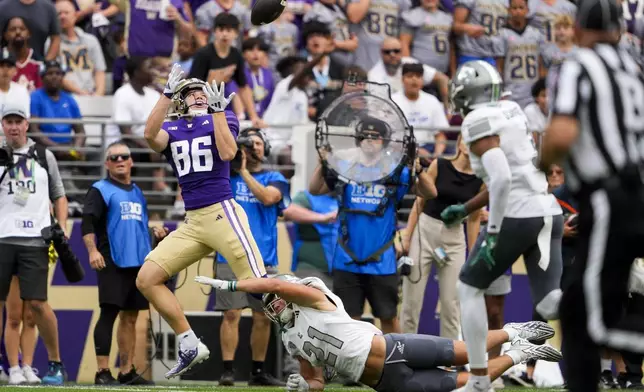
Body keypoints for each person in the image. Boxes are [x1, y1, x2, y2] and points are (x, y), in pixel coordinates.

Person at [194, 274, 563, 392]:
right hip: (385, 383)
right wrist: (305, 387)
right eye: (268, 302)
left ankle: (513, 330)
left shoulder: (316, 299)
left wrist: (233, 283)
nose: (272, 303)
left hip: (391, 347)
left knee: (464, 352)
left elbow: (274, 282)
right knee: (468, 387)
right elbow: (318, 380)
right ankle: (519, 354)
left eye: (275, 297)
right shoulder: (290, 338)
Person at [538, 0, 644, 390]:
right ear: (619, 31)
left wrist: (542, 159)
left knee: (589, 322)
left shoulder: (579, 64)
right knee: (577, 308)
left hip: (609, 197)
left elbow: (563, 133)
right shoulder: (633, 70)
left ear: (578, 30)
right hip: (635, 193)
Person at [137, 65, 267, 378]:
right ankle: (189, 342)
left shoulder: (223, 117)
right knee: (147, 279)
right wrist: (166, 94)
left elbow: (228, 152)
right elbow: (148, 135)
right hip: (193, 220)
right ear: (179, 101)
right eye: (189, 92)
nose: (196, 95)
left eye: (200, 91)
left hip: (222, 212)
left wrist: (220, 113)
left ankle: (310, 353)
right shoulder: (174, 128)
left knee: (262, 290)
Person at [443, 60, 563, 392]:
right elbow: (511, 174)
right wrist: (466, 208)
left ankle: (479, 380)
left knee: (468, 288)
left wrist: (493, 233)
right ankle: (604, 296)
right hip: (547, 212)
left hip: (517, 215)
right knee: (549, 302)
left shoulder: (477, 119)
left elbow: (502, 178)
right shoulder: (511, 108)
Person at [308, 116, 412, 337]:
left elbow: (428, 193)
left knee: (388, 317)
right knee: (346, 320)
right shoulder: (343, 168)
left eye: (376, 137)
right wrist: (322, 161)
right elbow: (315, 189)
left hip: (382, 263)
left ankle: (395, 365)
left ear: (384, 142)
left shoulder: (396, 171)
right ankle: (347, 368)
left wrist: (417, 168)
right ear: (357, 139)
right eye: (365, 135)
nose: (370, 140)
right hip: (347, 261)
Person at [82, 141, 168, 385]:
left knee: (131, 318)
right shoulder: (99, 189)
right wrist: (92, 251)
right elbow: (87, 223)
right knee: (108, 314)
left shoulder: (138, 192)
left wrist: (155, 232)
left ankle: (126, 371)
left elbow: (136, 226)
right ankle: (102, 372)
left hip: (138, 263)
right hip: (112, 260)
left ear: (131, 161)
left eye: (124, 156)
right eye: (114, 157)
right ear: (107, 163)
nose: (120, 160)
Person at [0, 101, 68, 385]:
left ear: (27, 124)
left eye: (18, 121)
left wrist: (62, 227)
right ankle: (12, 367)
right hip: (3, 239)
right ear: (3, 126)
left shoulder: (44, 155)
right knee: (10, 311)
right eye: (8, 122)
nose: (13, 127)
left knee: (35, 308)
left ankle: (29, 366)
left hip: (36, 242)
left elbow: (59, 195)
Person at [399, 136, 484, 338]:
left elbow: (473, 220)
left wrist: (472, 257)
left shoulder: (481, 179)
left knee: (451, 304)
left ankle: (449, 360)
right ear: (460, 141)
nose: (469, 144)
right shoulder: (440, 164)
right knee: (412, 300)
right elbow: (419, 202)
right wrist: (407, 236)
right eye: (466, 139)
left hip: (454, 237)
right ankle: (404, 354)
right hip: (425, 230)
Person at [494, 0, 545, 108]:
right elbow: (499, 66)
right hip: (511, 92)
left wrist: (541, 89)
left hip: (531, 93)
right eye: (514, 8)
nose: (518, 11)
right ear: (509, 10)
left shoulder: (536, 34)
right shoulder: (502, 34)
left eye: (521, 8)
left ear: (527, 10)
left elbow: (540, 65)